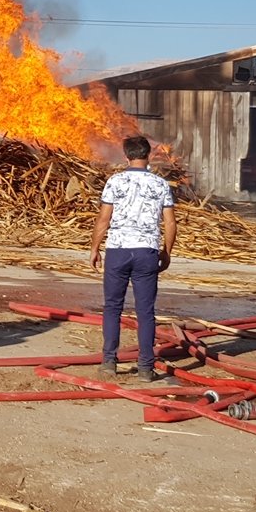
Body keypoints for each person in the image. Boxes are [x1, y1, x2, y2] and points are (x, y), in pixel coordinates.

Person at [90, 135, 177, 382]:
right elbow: (170, 222)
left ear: (126, 156)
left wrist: (95, 248)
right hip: (146, 251)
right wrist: (166, 252)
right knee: (146, 311)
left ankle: (109, 362)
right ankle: (146, 368)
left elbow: (104, 219)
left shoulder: (115, 182)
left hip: (118, 250)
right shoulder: (161, 184)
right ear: (148, 156)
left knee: (112, 307)